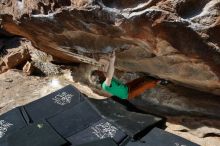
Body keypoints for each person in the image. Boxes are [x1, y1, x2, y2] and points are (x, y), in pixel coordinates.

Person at [90, 51, 168, 100]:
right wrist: (112, 61)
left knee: (141, 80)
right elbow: (109, 74)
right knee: (144, 85)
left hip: (126, 87)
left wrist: (106, 58)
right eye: (99, 72)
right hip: (128, 94)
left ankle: (149, 78)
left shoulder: (104, 77)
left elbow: (106, 67)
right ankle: (159, 82)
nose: (100, 71)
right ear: (99, 77)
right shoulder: (105, 85)